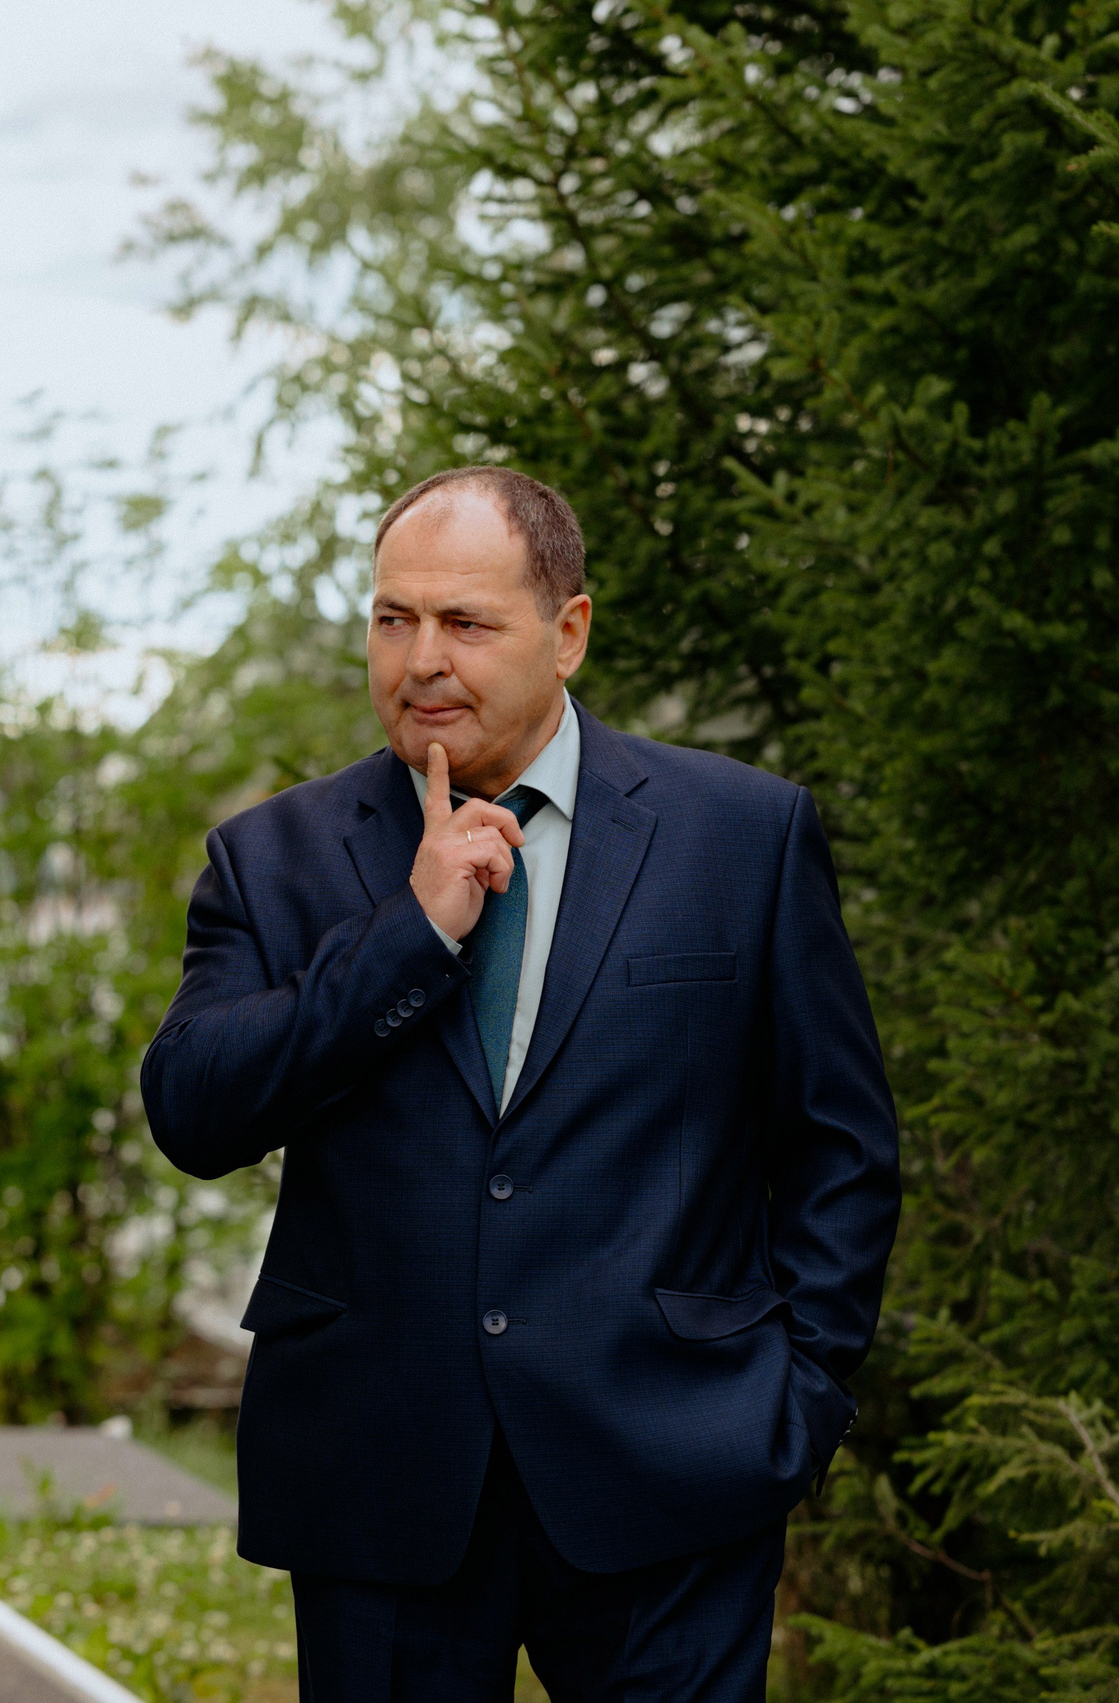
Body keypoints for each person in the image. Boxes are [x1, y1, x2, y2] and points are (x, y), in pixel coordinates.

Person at [141, 466, 898, 1701]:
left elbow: (840, 1149)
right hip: (379, 1481)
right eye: (393, 619)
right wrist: (405, 936)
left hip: (676, 1466)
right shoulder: (273, 858)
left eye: (466, 622)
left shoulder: (740, 836)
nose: (422, 660)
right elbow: (194, 1111)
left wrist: (796, 1400)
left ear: (569, 631)